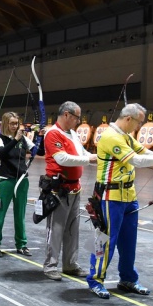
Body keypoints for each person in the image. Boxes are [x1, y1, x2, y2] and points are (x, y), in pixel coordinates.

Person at [87, 103, 153, 298]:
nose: (139, 126)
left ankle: (128, 278)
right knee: (104, 240)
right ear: (128, 119)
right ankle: (95, 279)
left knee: (128, 242)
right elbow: (137, 160)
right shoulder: (110, 136)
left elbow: (144, 152)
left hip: (129, 197)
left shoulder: (126, 137)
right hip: (110, 197)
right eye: (138, 122)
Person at [43, 101, 96, 280]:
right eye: (76, 117)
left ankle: (70, 264)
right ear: (66, 114)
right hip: (59, 190)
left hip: (74, 188)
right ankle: (50, 266)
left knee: (73, 228)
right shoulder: (53, 134)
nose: (78, 121)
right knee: (56, 229)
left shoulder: (72, 133)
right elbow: (62, 159)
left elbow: (83, 154)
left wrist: (99, 157)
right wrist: (89, 159)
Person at [0, 112, 35, 257]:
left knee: (20, 214)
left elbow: (39, 151)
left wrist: (41, 136)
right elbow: (2, 154)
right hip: (5, 180)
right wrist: (15, 139)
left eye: (16, 123)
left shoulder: (24, 139)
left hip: (21, 180)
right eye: (12, 123)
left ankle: (21, 244)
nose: (15, 126)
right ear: (5, 124)